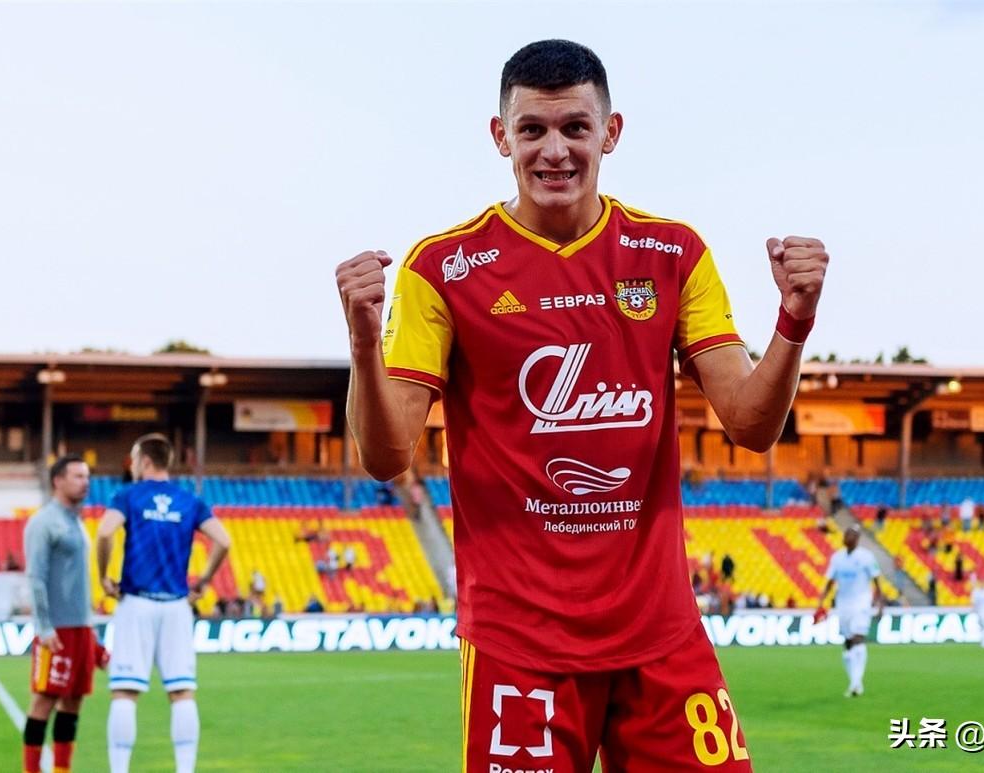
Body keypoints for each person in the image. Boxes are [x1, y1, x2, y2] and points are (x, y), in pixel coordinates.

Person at [335, 39, 828, 770]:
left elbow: (751, 425)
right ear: (501, 136)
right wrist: (363, 343)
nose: (555, 150)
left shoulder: (672, 254)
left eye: (575, 127)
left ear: (611, 132)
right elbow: (385, 456)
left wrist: (794, 321)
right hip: (519, 642)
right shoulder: (443, 268)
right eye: (532, 129)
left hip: (660, 632)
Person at [96, 434, 231, 773]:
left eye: (133, 459)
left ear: (144, 461)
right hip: (176, 605)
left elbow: (105, 532)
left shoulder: (128, 495)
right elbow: (224, 541)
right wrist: (202, 582)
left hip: (136, 602)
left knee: (125, 692)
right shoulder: (189, 500)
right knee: (182, 691)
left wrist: (103, 576)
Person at [21, 455, 109, 773]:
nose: (86, 482)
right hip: (56, 629)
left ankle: (62, 769)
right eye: (78, 476)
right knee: (44, 700)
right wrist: (44, 627)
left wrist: (91, 631)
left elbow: (78, 583)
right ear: (58, 481)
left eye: (87, 476)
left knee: (73, 702)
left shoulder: (77, 521)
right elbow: (36, 578)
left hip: (81, 628)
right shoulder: (44, 522)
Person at [815, 525, 882, 697]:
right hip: (843, 603)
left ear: (857, 538)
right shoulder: (837, 558)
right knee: (847, 643)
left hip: (861, 602)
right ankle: (855, 682)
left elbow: (876, 581)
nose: (846, 537)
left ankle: (856, 682)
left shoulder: (866, 557)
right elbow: (830, 582)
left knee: (858, 637)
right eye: (845, 534)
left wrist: (880, 604)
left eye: (850, 534)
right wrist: (820, 603)